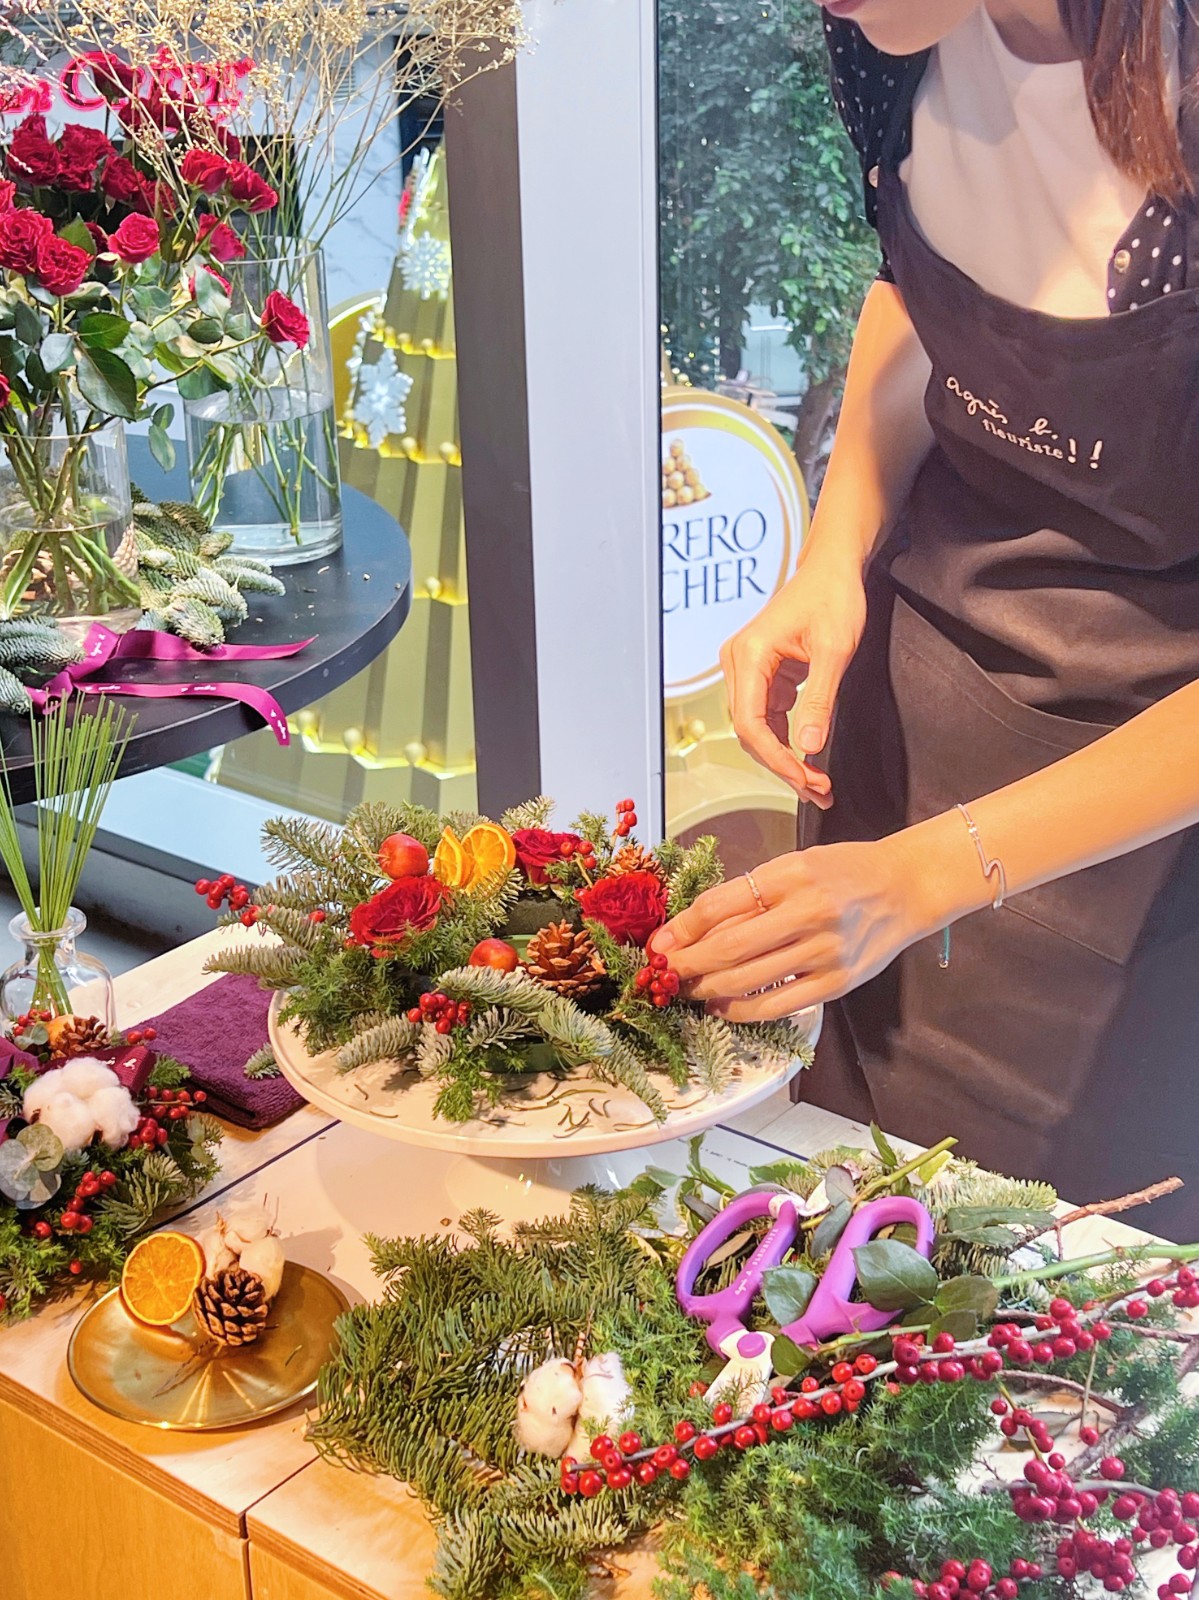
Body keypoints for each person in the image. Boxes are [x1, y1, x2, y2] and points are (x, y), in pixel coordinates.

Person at [655, 0, 1199, 1235]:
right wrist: (831, 550)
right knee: (847, 1209)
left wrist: (922, 876)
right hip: (907, 736)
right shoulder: (885, 41)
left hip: (1147, 822)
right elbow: (912, 293)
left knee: (1063, 1278)